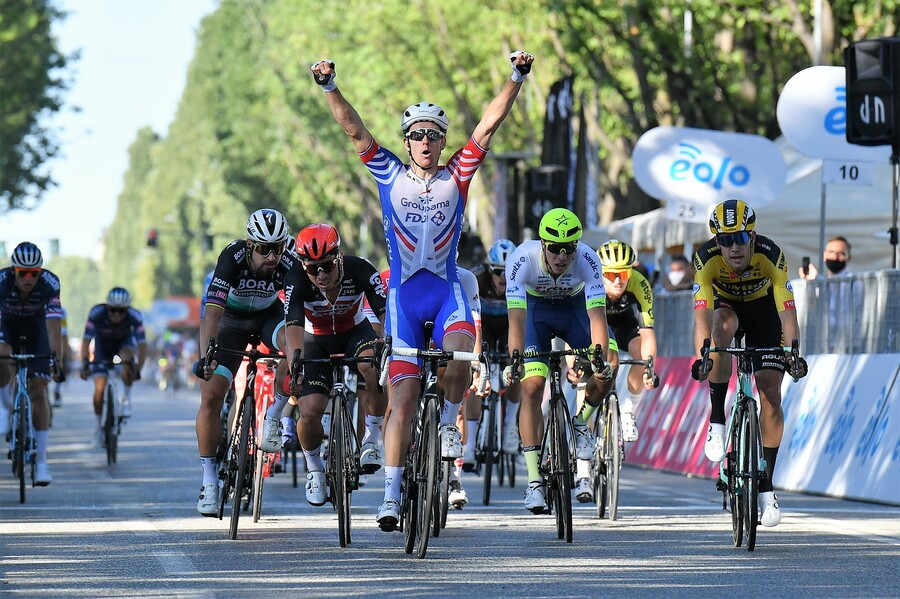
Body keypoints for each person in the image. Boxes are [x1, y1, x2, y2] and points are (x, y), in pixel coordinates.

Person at [311, 48, 534, 530]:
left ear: (443, 140)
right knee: (405, 398)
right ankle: (390, 495)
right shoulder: (388, 173)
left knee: (460, 355)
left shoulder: (459, 172)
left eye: (434, 135)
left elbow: (489, 124)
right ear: (407, 141)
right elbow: (354, 129)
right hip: (405, 300)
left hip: (446, 289)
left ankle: (451, 424)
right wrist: (330, 88)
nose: (426, 141)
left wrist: (515, 77)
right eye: (417, 135)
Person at [691, 198, 808, 528]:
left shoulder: (771, 254)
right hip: (726, 308)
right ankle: (717, 419)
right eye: (726, 241)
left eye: (741, 238)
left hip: (763, 313)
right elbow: (701, 312)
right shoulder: (704, 259)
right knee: (721, 326)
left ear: (753, 238)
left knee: (770, 392)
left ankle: (766, 485)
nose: (734, 248)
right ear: (718, 243)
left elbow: (787, 309)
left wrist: (792, 352)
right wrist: (702, 354)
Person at [505, 208, 617, 513]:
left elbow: (597, 317)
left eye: (570, 248)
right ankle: (534, 482)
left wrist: (598, 360)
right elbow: (516, 322)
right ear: (542, 244)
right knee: (532, 386)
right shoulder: (520, 261)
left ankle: (581, 422)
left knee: (609, 367)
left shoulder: (589, 260)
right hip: (534, 314)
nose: (562, 256)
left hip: (574, 310)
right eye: (555, 248)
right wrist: (516, 359)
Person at [193, 208, 297, 516]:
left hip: (267, 318)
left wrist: (295, 358)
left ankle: (275, 415)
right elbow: (211, 315)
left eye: (277, 249)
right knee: (211, 397)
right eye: (264, 249)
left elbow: (294, 320)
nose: (271, 257)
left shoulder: (288, 264)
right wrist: (206, 358)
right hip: (231, 322)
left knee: (294, 349)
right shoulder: (232, 257)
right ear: (251, 245)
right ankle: (210, 480)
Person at [283, 223, 388, 506]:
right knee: (311, 409)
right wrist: (296, 363)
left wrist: (385, 344)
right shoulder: (295, 279)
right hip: (315, 339)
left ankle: (371, 440)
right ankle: (315, 470)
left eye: (327, 266)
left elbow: (385, 313)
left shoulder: (361, 269)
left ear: (339, 257)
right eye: (312, 268)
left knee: (373, 365)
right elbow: (292, 326)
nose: (320, 275)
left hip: (355, 333)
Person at [0, 242, 64, 485]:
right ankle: (5, 408)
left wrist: (56, 359)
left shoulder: (50, 283)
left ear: (40, 272)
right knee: (2, 360)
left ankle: (41, 464)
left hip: (37, 332)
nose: (28, 278)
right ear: (13, 270)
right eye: (22, 273)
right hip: (8, 328)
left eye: (33, 273)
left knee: (38, 390)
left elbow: (54, 325)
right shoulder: (1, 281)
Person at [594, 240, 659, 444]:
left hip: (624, 325)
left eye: (623, 274)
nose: (617, 281)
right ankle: (583, 439)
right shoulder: (590, 282)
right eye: (611, 275)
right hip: (597, 324)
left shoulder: (640, 283)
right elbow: (574, 326)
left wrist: (649, 368)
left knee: (640, 354)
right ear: (600, 272)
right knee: (585, 374)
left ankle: (628, 410)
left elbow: (648, 333)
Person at [79, 287, 148, 444]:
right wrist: (84, 364)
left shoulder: (135, 316)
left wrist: (138, 369)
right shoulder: (96, 313)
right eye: (113, 310)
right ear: (106, 307)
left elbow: (143, 345)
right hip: (102, 348)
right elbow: (86, 340)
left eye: (121, 311)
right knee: (99, 388)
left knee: (127, 359)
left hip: (123, 345)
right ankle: (98, 428)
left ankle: (126, 400)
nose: (117, 315)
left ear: (127, 310)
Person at [472, 239, 521, 454]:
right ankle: (471, 442)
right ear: (489, 269)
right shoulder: (477, 278)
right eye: (498, 272)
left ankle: (510, 424)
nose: (503, 278)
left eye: (508, 272)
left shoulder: (522, 280)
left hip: (509, 324)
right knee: (477, 369)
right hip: (484, 326)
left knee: (516, 364)